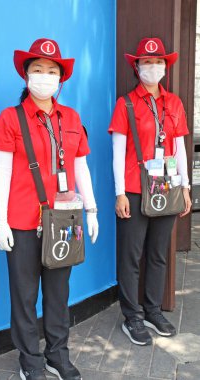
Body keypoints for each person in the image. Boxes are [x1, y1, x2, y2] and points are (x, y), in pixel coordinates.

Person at [0, 38, 99, 380]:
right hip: (22, 222)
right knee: (24, 296)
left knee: (58, 293)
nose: (44, 76)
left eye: (52, 71)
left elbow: (80, 166)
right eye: (38, 69)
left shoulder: (71, 117)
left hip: (64, 219)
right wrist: (0, 222)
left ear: (60, 79)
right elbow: (2, 172)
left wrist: (92, 210)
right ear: (26, 76)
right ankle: (30, 359)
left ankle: (57, 354)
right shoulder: (11, 118)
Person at [108, 37, 192, 346]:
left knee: (158, 254)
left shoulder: (175, 103)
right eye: (147, 62)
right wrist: (119, 193)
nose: (153, 67)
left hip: (166, 187)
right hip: (133, 189)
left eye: (158, 62)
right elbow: (117, 151)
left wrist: (185, 186)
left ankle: (153, 310)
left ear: (165, 67)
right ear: (137, 66)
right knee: (131, 257)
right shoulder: (126, 104)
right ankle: (132, 316)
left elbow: (180, 148)